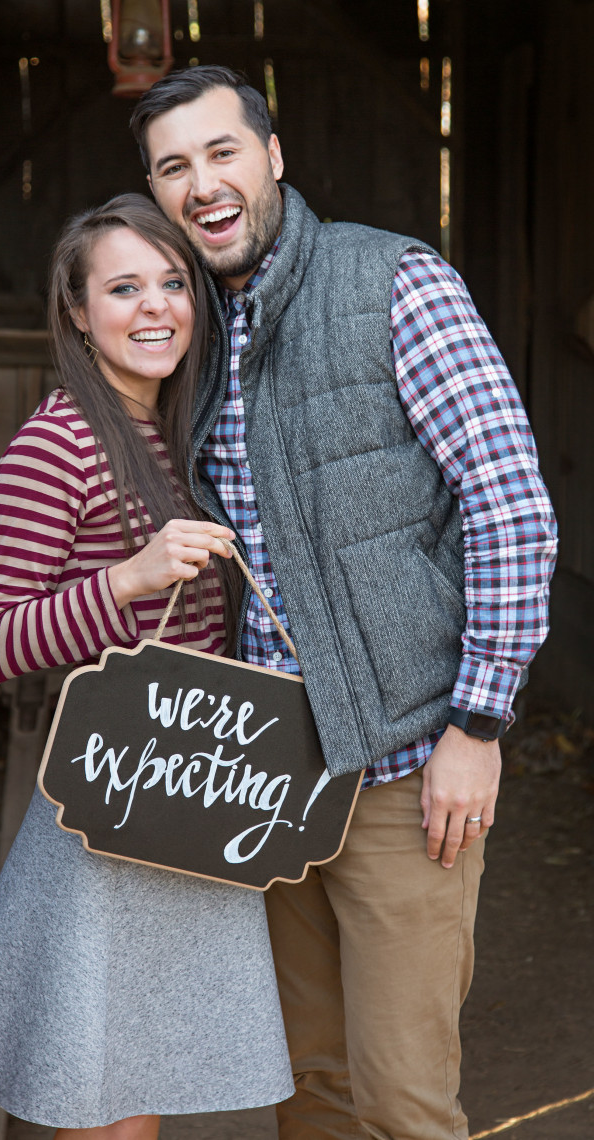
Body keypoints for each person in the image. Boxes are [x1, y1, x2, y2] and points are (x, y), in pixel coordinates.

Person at [129, 67, 558, 1140]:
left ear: (273, 156)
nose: (202, 183)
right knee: (306, 1088)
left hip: (403, 767)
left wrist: (478, 724)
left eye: (221, 151)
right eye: (173, 167)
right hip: (264, 774)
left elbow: (511, 507)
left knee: (402, 1100)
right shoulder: (193, 326)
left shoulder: (393, 283)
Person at [0, 193, 294, 1139]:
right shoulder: (57, 444)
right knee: (101, 1105)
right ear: (77, 310)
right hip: (108, 805)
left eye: (173, 283)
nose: (155, 307)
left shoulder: (177, 436)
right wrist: (128, 578)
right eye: (123, 287)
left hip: (182, 797)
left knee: (136, 1097)